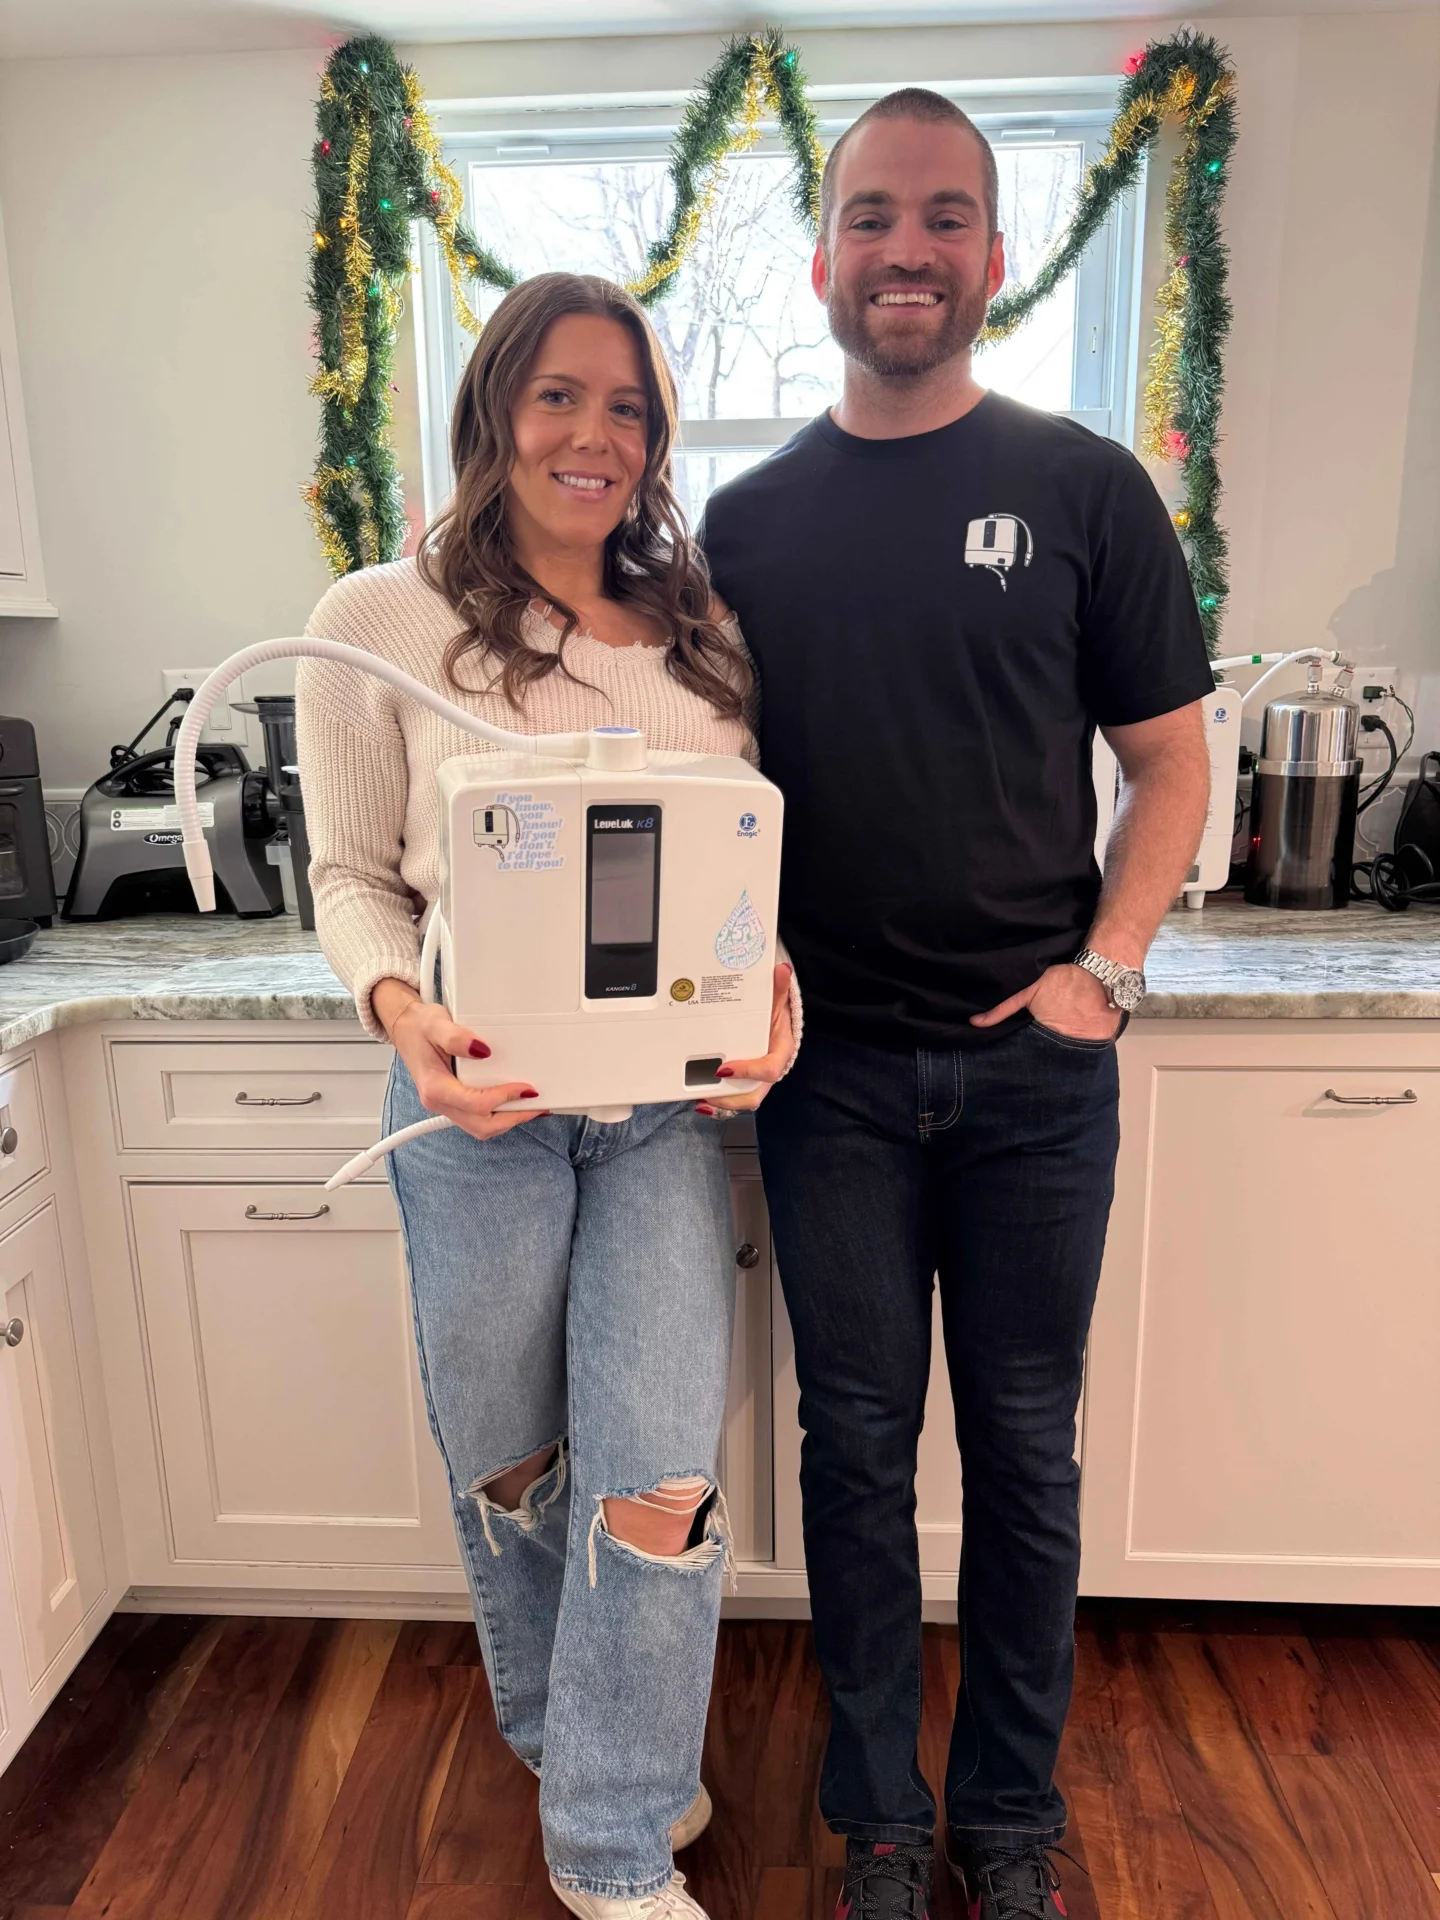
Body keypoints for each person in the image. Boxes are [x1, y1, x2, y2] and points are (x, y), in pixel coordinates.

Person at [701, 90, 1212, 1920]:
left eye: (943, 218)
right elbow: (701, 791)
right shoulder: (741, 530)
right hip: (824, 1081)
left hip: (1034, 1084)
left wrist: (1106, 975)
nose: (902, 249)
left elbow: (1169, 766)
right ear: (820, 255)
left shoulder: (1085, 489)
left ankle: (1008, 1819)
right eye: (868, 217)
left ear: (996, 255)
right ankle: (882, 1831)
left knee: (1020, 1449)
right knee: (852, 1455)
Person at [296, 272, 795, 1920]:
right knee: (514, 1463)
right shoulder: (377, 618)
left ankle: (612, 1839)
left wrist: (769, 991)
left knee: (658, 1475)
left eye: (631, 406)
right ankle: (572, 1730)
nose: (597, 434)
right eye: (563, 395)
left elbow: (737, 890)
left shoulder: (704, 636)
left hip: (663, 1117)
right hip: (472, 1116)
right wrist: (403, 1014)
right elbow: (355, 876)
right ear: (499, 406)